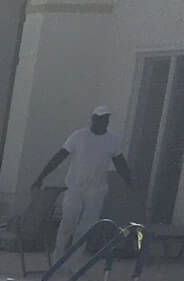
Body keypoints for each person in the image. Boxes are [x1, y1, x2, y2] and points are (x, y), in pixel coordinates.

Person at [33, 105, 135, 264]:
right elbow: (59, 157)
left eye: (106, 119)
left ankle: (74, 263)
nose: (103, 122)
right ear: (93, 119)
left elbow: (120, 163)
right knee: (67, 224)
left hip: (96, 192)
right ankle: (57, 260)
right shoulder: (79, 136)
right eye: (100, 118)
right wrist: (41, 177)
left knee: (85, 229)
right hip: (75, 189)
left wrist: (129, 183)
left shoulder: (113, 140)